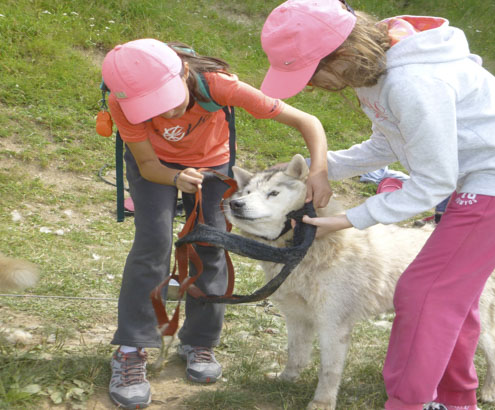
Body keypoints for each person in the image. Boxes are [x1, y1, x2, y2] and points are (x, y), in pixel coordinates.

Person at [259, 1, 495, 410]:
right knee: (453, 295)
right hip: (473, 174)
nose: (311, 86)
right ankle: (455, 399)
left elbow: (432, 181)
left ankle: (410, 402)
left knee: (425, 293)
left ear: (343, 54)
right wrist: (321, 167)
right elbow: (387, 143)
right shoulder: (373, 71)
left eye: (311, 74)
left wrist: (348, 220)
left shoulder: (412, 82)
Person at [101, 38, 332, 409]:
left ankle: (200, 342)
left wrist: (319, 171)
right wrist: (175, 179)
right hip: (155, 167)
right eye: (151, 109)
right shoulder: (120, 101)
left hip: (212, 163)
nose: (167, 115)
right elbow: (147, 166)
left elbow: (308, 121)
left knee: (210, 242)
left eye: (170, 102)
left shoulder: (219, 85)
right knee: (153, 243)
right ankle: (131, 348)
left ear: (184, 76)